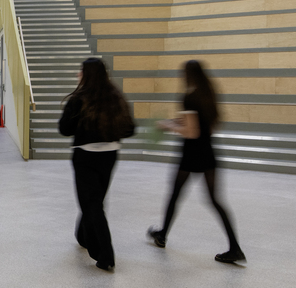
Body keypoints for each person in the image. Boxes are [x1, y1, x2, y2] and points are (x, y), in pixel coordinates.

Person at [148, 60, 244, 264]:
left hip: (191, 154)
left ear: (188, 74)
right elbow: (204, 126)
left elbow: (192, 131)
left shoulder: (190, 96)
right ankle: (235, 247)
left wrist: (167, 126)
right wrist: (176, 122)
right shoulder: (209, 95)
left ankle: (163, 234)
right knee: (215, 200)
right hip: (208, 152)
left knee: (175, 194)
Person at [58, 58, 135, 271]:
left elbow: (64, 129)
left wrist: (85, 129)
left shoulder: (79, 99)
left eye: (80, 71)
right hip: (109, 156)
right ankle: (82, 235)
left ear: (87, 74)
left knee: (92, 203)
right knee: (95, 199)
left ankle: (105, 253)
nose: (77, 75)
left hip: (85, 157)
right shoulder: (115, 97)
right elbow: (129, 129)